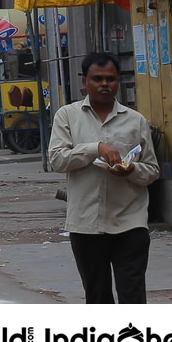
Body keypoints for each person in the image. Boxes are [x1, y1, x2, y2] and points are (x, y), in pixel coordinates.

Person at [48, 52, 159, 304]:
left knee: (132, 296)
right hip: (85, 224)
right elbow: (57, 159)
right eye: (97, 79)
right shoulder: (67, 116)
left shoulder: (135, 121)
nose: (105, 84)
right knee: (97, 297)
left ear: (118, 82)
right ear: (84, 81)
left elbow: (152, 170)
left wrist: (131, 170)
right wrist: (95, 148)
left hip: (130, 222)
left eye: (111, 79)